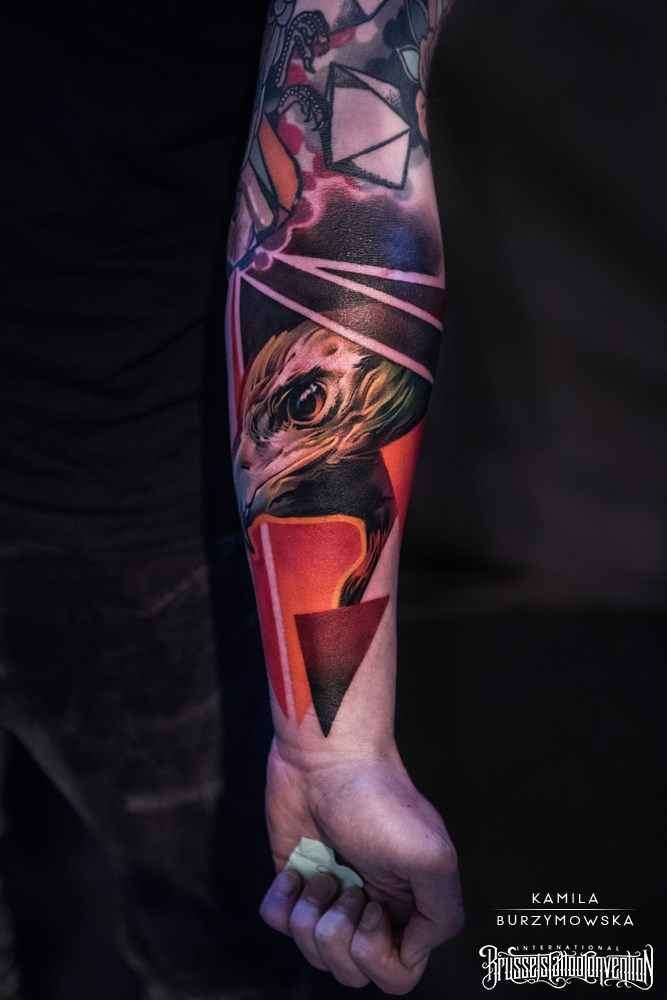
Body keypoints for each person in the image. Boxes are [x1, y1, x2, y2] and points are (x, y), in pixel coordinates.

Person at [0, 1, 463, 997]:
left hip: (124, 487)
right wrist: (334, 753)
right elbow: (353, 115)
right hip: (124, 489)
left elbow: (346, 147)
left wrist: (331, 750)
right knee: (220, 945)